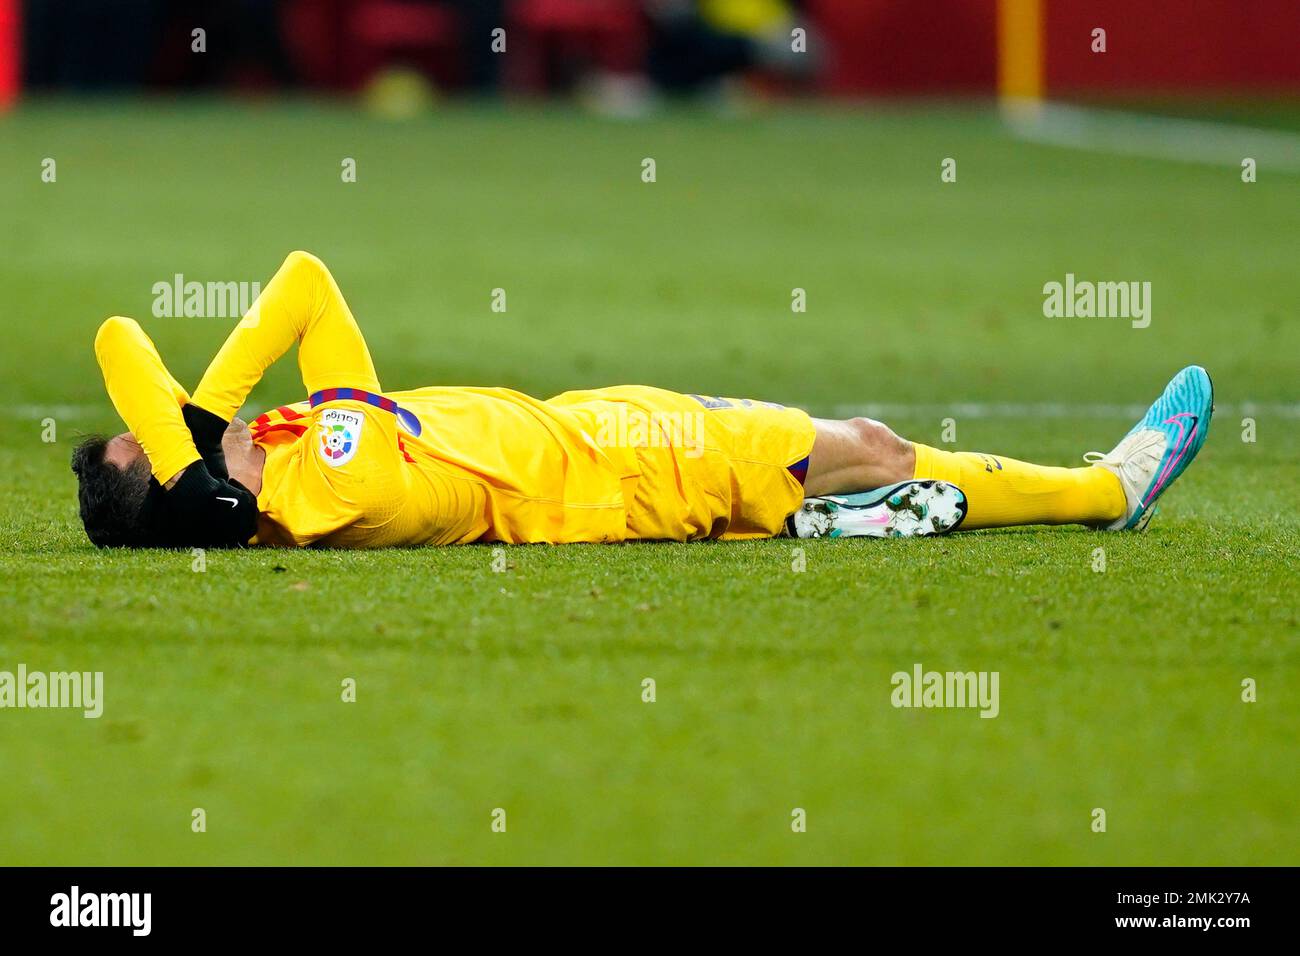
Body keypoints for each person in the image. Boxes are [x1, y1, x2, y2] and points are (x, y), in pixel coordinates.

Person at [72, 251, 1213, 549]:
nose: (171, 404)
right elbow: (292, 288)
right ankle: (1106, 488)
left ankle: (830, 522)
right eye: (157, 434)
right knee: (867, 439)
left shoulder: (276, 453)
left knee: (843, 461)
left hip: (596, 418)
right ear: (187, 487)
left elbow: (136, 334)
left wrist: (194, 443)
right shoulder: (334, 484)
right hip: (626, 465)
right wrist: (193, 470)